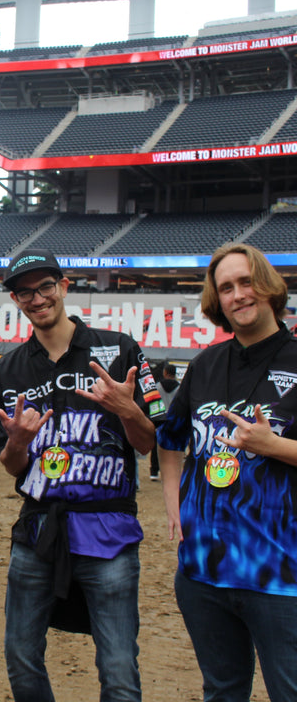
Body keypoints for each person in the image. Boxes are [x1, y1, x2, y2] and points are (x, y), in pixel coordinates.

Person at [0, 248, 164, 702]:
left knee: (119, 667)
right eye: (25, 292)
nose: (37, 298)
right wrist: (19, 444)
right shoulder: (7, 370)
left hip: (111, 533)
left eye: (45, 287)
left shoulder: (119, 349)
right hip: (38, 532)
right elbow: (11, 465)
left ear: (64, 287)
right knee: (21, 654)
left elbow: (147, 442)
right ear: (16, 301)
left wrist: (127, 409)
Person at [157, 242, 297, 701]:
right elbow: (171, 439)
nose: (238, 295)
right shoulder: (206, 365)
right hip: (202, 574)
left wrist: (274, 446)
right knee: (222, 692)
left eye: (245, 282)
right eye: (226, 288)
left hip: (280, 576)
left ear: (268, 286)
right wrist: (173, 505)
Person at [149, 362, 180, 480]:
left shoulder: (157, 386)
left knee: (156, 448)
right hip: (173, 420)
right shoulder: (180, 388)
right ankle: (171, 473)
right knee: (172, 447)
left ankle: (154, 471)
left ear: (165, 372)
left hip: (159, 419)